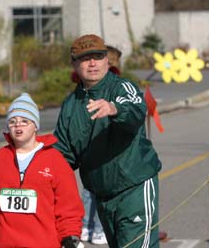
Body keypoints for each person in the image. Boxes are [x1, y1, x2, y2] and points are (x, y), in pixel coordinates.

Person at [54, 34, 162, 248]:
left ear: (106, 60)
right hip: (102, 195)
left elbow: (135, 111)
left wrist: (115, 109)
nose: (92, 63)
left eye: (97, 56)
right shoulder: (70, 105)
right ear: (74, 64)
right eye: (85, 58)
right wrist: (32, 170)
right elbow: (62, 155)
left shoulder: (122, 87)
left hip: (135, 187)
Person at [0, 93, 85, 248]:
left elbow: (68, 205)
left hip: (43, 243)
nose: (18, 125)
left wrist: (70, 236)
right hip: (2, 243)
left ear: (35, 126)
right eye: (12, 122)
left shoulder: (55, 160)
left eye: (24, 121)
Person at [72, 44, 122, 245]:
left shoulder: (116, 81)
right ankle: (92, 227)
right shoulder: (88, 86)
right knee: (94, 190)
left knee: (93, 191)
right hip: (95, 144)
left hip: (104, 142)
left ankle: (92, 227)